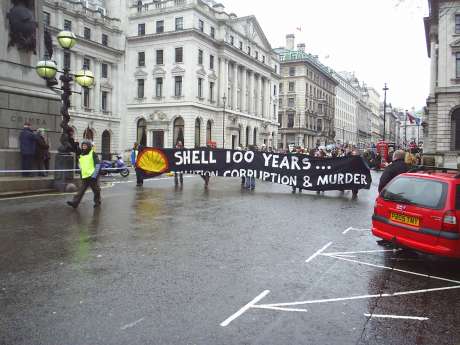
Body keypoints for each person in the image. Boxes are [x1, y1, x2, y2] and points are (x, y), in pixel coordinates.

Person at [67, 140, 101, 208]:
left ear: (88, 146)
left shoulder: (93, 153)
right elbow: (82, 166)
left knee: (96, 190)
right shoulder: (81, 155)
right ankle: (75, 203)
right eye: (83, 146)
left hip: (92, 176)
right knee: (81, 190)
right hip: (85, 176)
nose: (84, 147)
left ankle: (97, 202)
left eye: (85, 145)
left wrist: (94, 175)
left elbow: (97, 165)